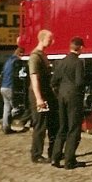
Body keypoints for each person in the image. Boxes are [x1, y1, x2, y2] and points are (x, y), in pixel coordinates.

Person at [50, 36, 86, 169]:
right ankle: (69, 161)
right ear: (80, 48)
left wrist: (59, 93)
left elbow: (53, 81)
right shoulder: (78, 63)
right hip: (74, 97)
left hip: (62, 95)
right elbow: (79, 82)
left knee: (62, 127)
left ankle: (55, 157)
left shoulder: (62, 61)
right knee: (74, 128)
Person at [29, 29, 58, 164]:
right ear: (42, 39)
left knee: (52, 122)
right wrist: (39, 98)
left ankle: (53, 151)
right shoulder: (35, 57)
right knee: (40, 124)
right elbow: (34, 79)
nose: (52, 42)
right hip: (39, 93)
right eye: (50, 39)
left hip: (45, 92)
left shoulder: (42, 55)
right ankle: (36, 154)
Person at [0, 46, 24, 134]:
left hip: (3, 87)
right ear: (20, 54)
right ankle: (4, 120)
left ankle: (6, 128)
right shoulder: (16, 61)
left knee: (6, 107)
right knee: (17, 108)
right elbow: (21, 74)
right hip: (10, 87)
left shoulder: (8, 60)